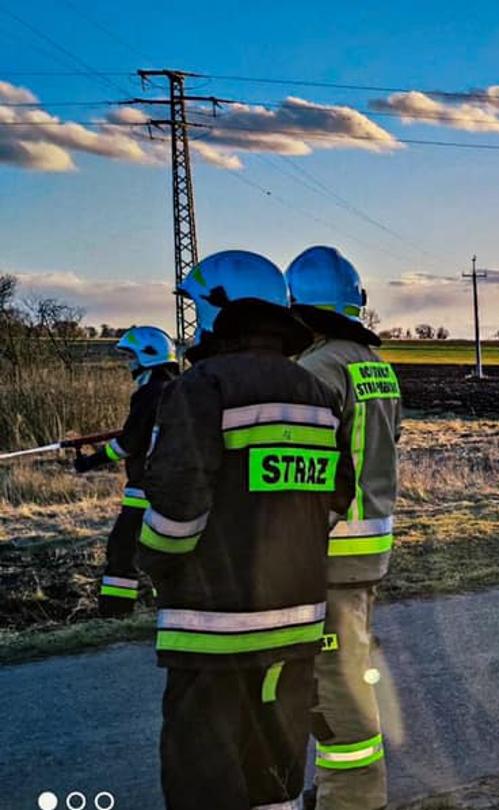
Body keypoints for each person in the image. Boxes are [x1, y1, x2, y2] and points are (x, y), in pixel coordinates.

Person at [138, 249, 354, 810]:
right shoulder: (317, 394)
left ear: (220, 308)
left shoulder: (202, 387)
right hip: (296, 627)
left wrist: (153, 565)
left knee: (203, 781)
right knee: (275, 782)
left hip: (213, 632)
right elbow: (336, 499)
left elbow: (176, 509)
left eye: (193, 306)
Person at [286, 245, 401, 809]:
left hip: (328, 555)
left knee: (337, 703)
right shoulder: (375, 366)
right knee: (349, 677)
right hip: (368, 552)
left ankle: (349, 800)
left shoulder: (315, 369)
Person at [71, 325, 179, 617]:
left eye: (132, 357)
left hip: (144, 489)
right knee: (165, 553)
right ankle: (168, 607)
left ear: (148, 356)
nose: (129, 364)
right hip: (176, 489)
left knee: (122, 552)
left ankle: (114, 614)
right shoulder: (180, 390)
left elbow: (128, 445)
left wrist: (90, 461)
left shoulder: (148, 394)